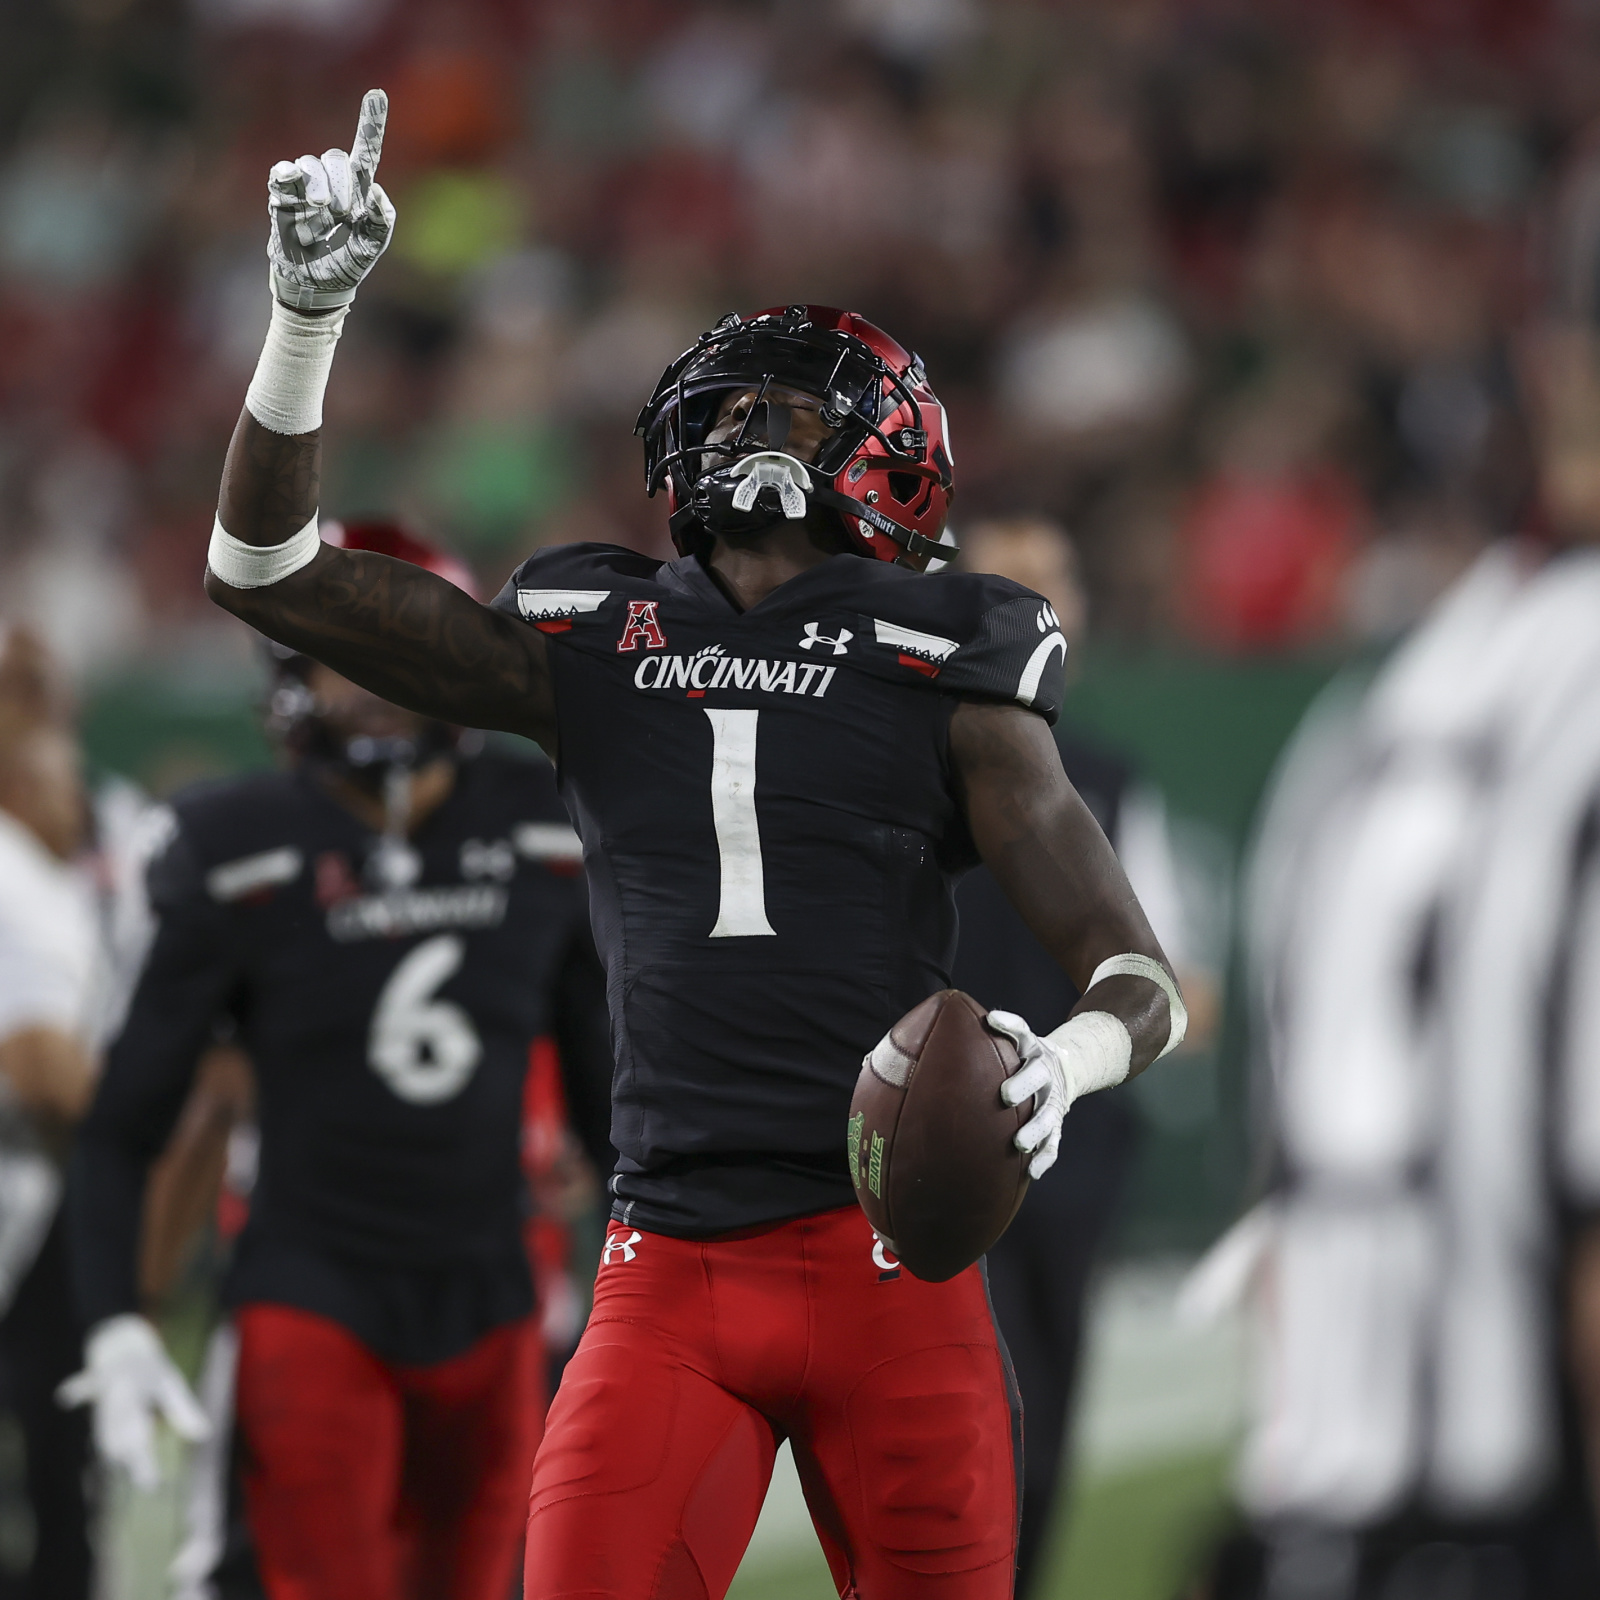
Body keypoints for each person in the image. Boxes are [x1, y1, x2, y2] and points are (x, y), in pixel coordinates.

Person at [197, 91, 1187, 1597]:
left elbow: (1140, 979)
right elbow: (260, 569)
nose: (754, 434)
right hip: (668, 1265)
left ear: (893, 463)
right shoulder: (593, 634)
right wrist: (306, 318)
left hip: (890, 1267)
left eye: (794, 410)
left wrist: (1066, 1063)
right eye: (735, 408)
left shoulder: (948, 656)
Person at [64, 520, 614, 1600]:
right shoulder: (236, 842)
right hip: (313, 1290)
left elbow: (609, 1090)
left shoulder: (543, 823)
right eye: (338, 653)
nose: (372, 684)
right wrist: (118, 1322)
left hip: (494, 1288)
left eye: (395, 653)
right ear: (287, 674)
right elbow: (127, 1115)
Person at [952, 516, 1203, 1596]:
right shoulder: (913, 763)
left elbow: (1181, 986)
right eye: (1017, 585)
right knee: (987, 1417)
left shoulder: (1106, 776)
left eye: (1060, 583)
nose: (1045, 606)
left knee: (1049, 1422)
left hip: (1079, 1143)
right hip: (951, 1147)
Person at [0, 684, 99, 1600]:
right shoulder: (16, 879)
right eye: (66, 785)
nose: (81, 806)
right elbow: (40, 1064)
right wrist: (140, 1128)